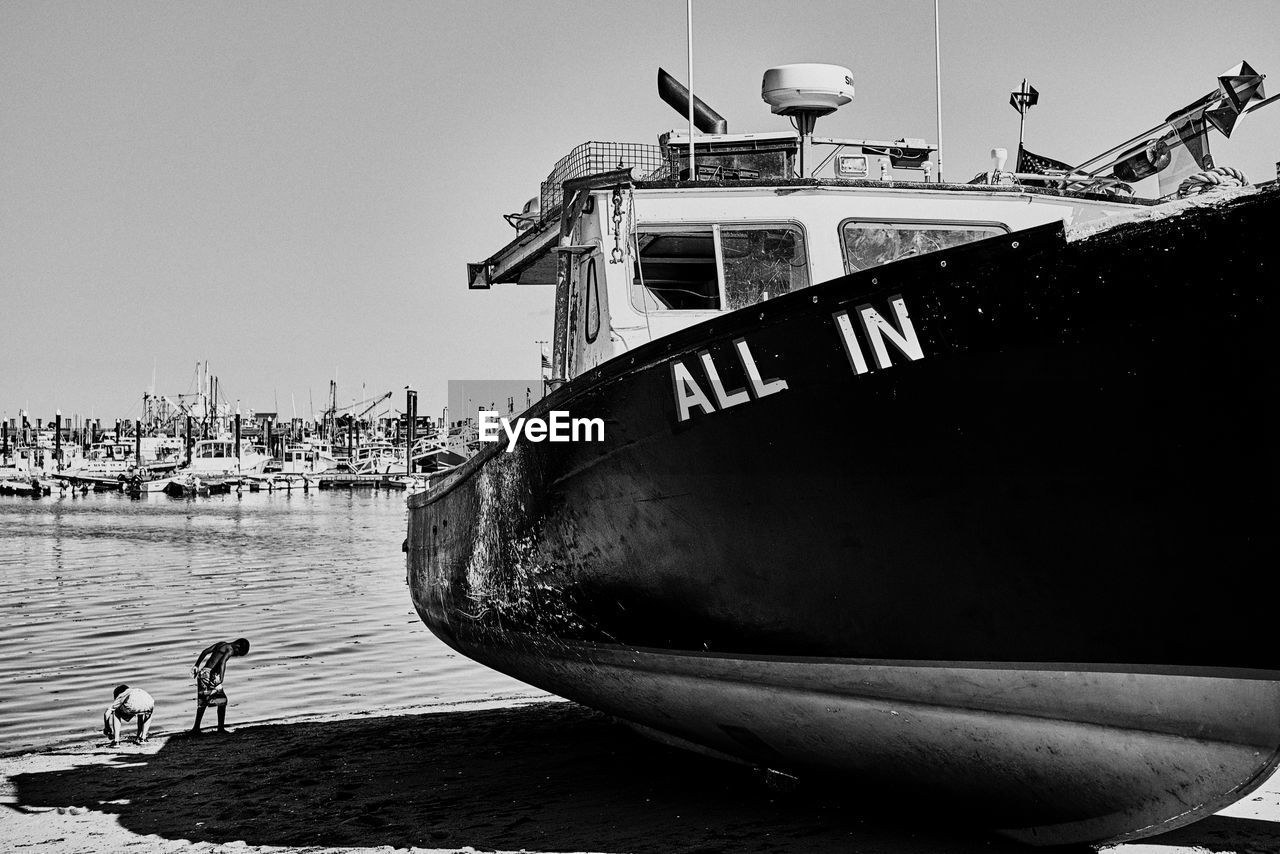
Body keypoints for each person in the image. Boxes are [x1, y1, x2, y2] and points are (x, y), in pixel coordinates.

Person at [190, 637, 250, 735]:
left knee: (208, 701)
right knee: (218, 701)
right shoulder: (230, 649)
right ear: (237, 646)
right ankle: (216, 729)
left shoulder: (221, 644)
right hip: (209, 675)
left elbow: (205, 651)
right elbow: (222, 662)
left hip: (204, 673)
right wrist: (221, 678)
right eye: (238, 653)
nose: (236, 655)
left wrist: (196, 665)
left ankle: (199, 728)